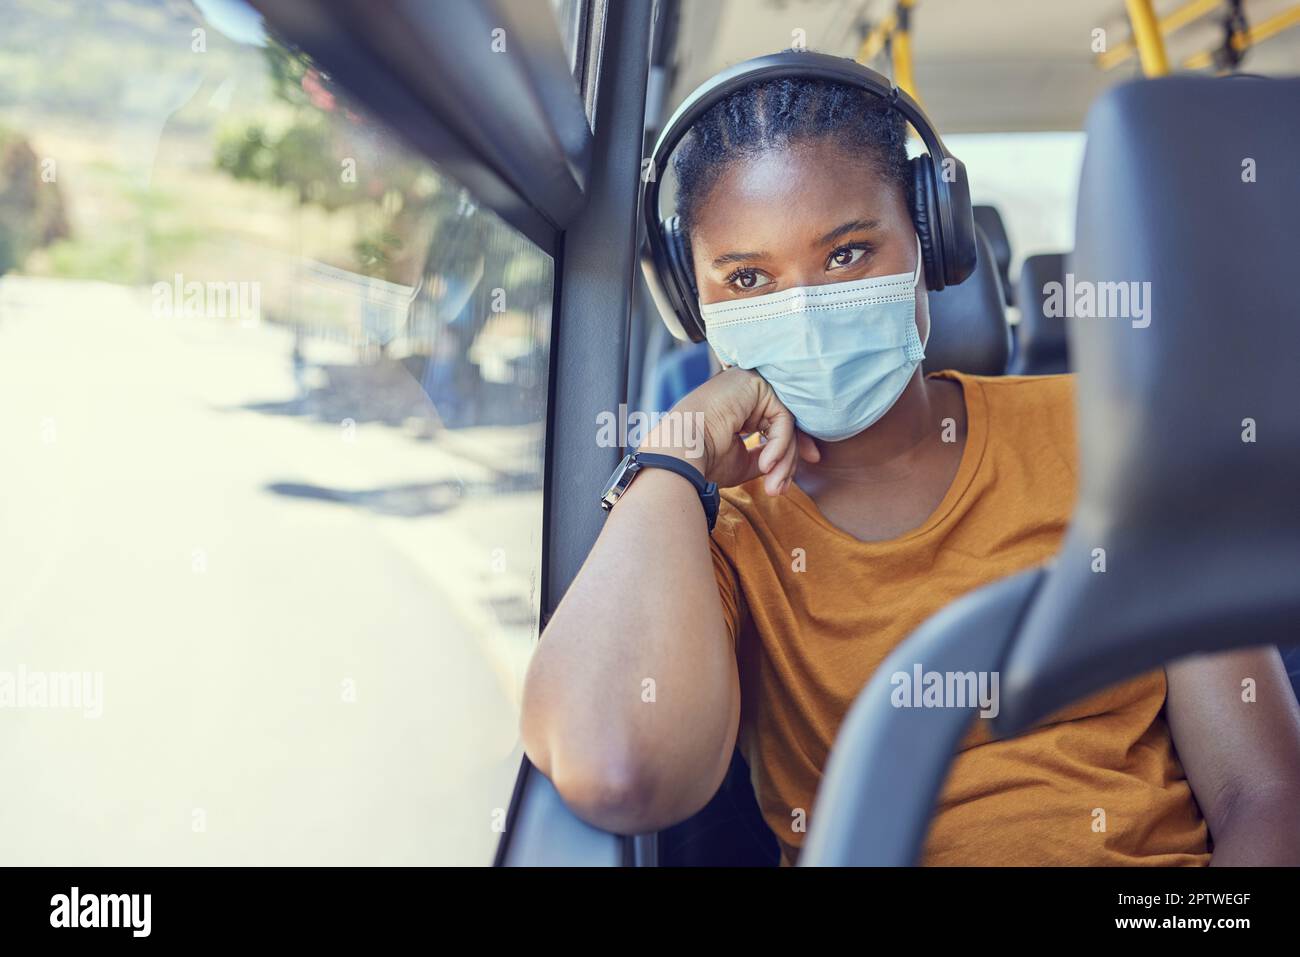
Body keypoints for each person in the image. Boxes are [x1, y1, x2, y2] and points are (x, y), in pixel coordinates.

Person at [520, 66, 1300, 866]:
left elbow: (1264, 794)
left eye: (849, 253)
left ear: (933, 242)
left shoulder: (1108, 430)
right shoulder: (714, 530)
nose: (806, 312)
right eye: (748, 278)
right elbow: (619, 771)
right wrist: (675, 453)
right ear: (695, 304)